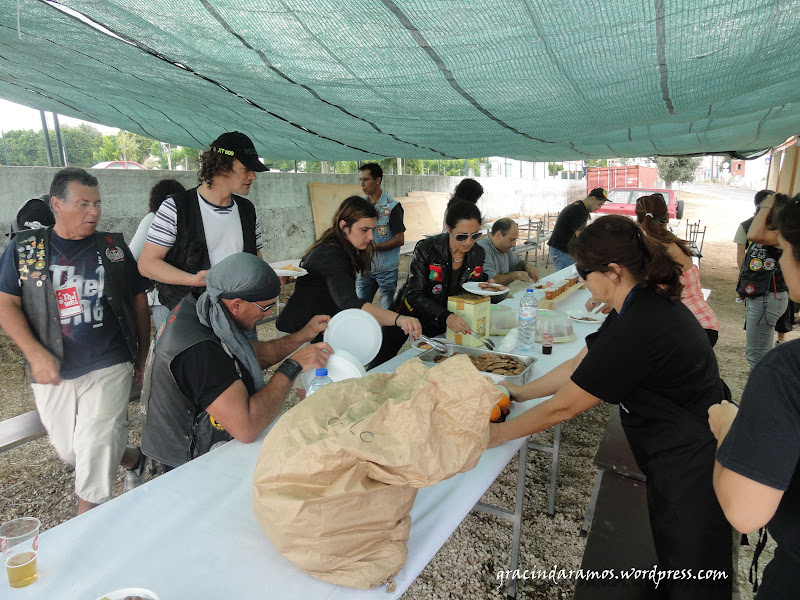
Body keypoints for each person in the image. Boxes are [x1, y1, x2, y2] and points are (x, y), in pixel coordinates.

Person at [490, 215, 733, 599]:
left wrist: (499, 434)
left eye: (584, 273)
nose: (583, 282)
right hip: (675, 448)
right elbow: (582, 361)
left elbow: (564, 408)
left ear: (614, 271)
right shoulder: (638, 303)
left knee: (695, 571)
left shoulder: (641, 324)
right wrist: (519, 393)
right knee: (674, 556)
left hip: (691, 459)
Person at [0, 168, 151, 515]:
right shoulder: (27, 249)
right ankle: (132, 458)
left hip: (109, 360)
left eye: (97, 204)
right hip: (53, 366)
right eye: (83, 204)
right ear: (56, 204)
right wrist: (34, 352)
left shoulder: (112, 248)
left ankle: (85, 527)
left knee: (95, 444)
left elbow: (138, 299)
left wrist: (141, 356)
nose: (94, 212)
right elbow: (5, 301)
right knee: (71, 450)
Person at [141, 253, 332, 470]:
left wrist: (303, 336)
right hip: (188, 460)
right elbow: (247, 426)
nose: (268, 313)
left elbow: (249, 356)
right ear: (237, 305)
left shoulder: (204, 305)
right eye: (266, 307)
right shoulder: (198, 350)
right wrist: (292, 366)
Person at [708, 194, 800, 599]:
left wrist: (730, 427)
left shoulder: (786, 372)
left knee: (756, 351)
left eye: (789, 250)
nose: (779, 257)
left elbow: (744, 513)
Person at [138, 132, 267, 313]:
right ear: (222, 167)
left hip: (239, 314)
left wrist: (268, 277)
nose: (253, 176)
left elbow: (256, 257)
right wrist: (193, 280)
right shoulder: (176, 207)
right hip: (189, 316)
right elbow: (147, 264)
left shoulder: (247, 210)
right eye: (246, 169)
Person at [276, 196, 421, 345]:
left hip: (317, 331)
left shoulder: (342, 249)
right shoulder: (330, 255)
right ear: (344, 226)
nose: (371, 237)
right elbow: (350, 302)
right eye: (364, 230)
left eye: (373, 229)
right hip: (298, 334)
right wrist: (398, 319)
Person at [370, 200, 488, 368]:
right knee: (381, 360)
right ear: (448, 228)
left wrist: (484, 290)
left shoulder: (478, 253)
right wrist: (445, 315)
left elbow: (472, 286)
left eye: (475, 235)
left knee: (432, 362)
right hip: (408, 312)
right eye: (462, 236)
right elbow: (414, 293)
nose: (469, 242)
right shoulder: (427, 248)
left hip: (441, 318)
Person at [636, 193, 720, 346]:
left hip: (687, 330)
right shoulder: (673, 242)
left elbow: (639, 290)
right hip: (704, 323)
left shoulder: (653, 248)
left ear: (638, 220)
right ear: (667, 218)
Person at [734, 190, 791, 368]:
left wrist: (766, 205)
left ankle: (761, 393)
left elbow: (752, 235)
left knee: (757, 355)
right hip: (761, 297)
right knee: (758, 352)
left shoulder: (780, 235)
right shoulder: (771, 233)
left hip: (767, 299)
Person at [129, 179, 186, 331]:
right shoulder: (159, 218)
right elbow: (132, 256)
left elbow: (131, 255)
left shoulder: (159, 218)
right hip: (173, 295)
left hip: (172, 295)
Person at [355, 163, 406, 309]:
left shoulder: (392, 207)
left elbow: (399, 239)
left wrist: (374, 248)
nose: (362, 184)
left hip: (386, 270)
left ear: (378, 180)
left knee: (386, 310)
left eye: (366, 179)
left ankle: (384, 332)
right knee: (359, 309)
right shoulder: (360, 206)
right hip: (364, 268)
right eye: (360, 180)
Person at [476, 217, 539, 302]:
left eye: (515, 240)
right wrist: (516, 275)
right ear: (498, 235)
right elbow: (492, 281)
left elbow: (517, 263)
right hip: (484, 304)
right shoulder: (482, 249)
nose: (514, 244)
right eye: (511, 239)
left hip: (499, 301)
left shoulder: (504, 248)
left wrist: (527, 266)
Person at [547, 188, 608, 270]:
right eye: (599, 204)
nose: (599, 208)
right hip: (562, 250)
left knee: (571, 278)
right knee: (567, 279)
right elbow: (580, 236)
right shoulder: (579, 210)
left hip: (564, 249)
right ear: (592, 198)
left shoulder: (581, 207)